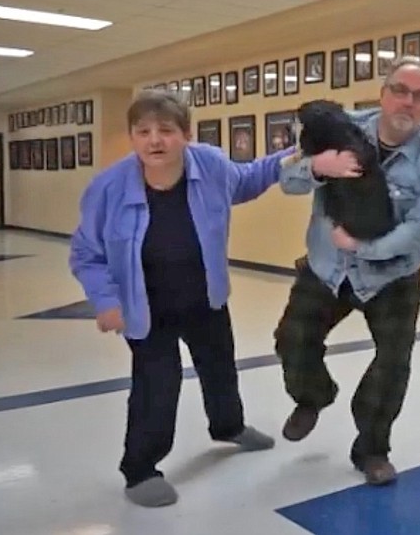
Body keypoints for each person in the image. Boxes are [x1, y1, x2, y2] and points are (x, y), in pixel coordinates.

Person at [68, 90, 297, 508]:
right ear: (133, 137)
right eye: (143, 132)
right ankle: (139, 470)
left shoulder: (209, 165)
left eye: (166, 131)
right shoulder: (108, 188)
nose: (154, 141)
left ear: (186, 135)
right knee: (158, 384)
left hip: (202, 297)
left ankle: (228, 426)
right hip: (145, 306)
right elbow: (85, 253)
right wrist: (105, 301)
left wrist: (302, 154)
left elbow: (246, 180)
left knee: (220, 367)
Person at [274, 57, 420, 485]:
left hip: (392, 275)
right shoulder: (338, 127)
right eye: (400, 91)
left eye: (419, 95)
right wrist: (320, 167)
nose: (407, 102)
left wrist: (365, 248)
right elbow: (288, 180)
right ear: (383, 94)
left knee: (393, 363)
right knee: (292, 340)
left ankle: (372, 449)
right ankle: (313, 396)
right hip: (327, 267)